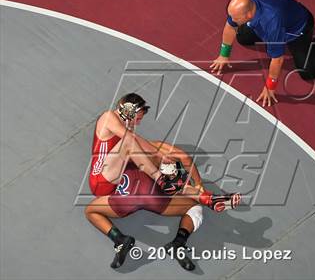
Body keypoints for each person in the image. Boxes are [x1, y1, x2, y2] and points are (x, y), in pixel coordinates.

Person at [85, 93, 241, 271]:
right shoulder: (109, 118)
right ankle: (187, 192)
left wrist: (163, 159)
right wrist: (164, 160)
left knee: (92, 209)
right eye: (138, 118)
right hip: (102, 180)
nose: (139, 123)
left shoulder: (132, 142)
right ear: (128, 111)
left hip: (119, 189)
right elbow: (140, 143)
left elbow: (172, 154)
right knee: (135, 146)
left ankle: (122, 239)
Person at [210, 0, 315, 107]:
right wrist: (224, 55)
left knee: (308, 72)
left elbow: (277, 60)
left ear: (248, 15)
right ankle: (273, 40)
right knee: (243, 37)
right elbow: (230, 26)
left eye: (236, 18)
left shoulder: (272, 23)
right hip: (280, 17)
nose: (232, 19)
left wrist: (270, 87)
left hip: (297, 29)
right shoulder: (244, 0)